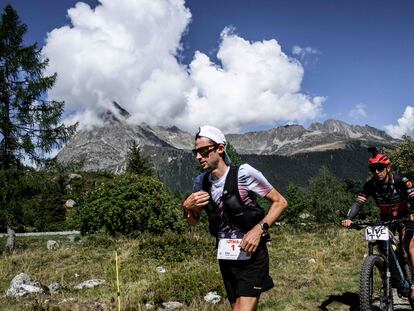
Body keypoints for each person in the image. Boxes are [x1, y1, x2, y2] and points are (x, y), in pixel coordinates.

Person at [183, 125, 288, 311]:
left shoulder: (244, 173)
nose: (198, 157)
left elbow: (280, 202)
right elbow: (193, 221)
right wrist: (187, 208)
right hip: (226, 257)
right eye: (195, 152)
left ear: (220, 149)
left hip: (252, 255)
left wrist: (259, 230)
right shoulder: (201, 182)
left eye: (203, 151)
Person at [340, 147, 414, 297]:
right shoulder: (370, 185)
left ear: (388, 168)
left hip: (405, 217)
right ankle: (392, 273)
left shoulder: (401, 181)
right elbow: (358, 203)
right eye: (373, 170)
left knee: (410, 245)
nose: (376, 172)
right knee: (383, 244)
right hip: (386, 220)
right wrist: (349, 218)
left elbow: (413, 197)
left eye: (380, 168)